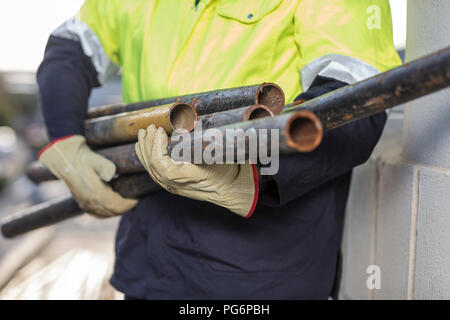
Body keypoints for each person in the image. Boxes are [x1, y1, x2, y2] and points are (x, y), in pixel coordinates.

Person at [37, 0, 401, 299]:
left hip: (260, 277)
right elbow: (71, 47)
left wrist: (252, 176)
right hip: (150, 264)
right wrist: (65, 138)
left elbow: (357, 107)